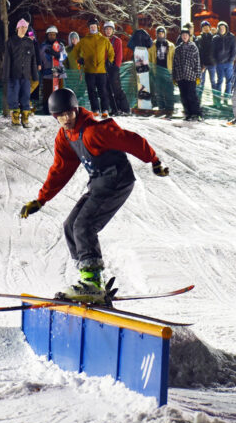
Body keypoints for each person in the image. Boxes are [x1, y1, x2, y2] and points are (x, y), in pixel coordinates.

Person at [19, 88, 169, 302]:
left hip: (118, 180)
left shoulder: (93, 131)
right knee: (70, 226)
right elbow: (60, 169)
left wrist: (154, 161)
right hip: (99, 183)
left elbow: (131, 140)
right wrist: (41, 199)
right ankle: (88, 279)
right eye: (60, 115)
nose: (65, 119)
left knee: (84, 226)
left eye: (69, 113)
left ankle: (92, 284)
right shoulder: (64, 136)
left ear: (75, 110)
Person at [70, 17, 113, 118]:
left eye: (94, 26)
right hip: (89, 70)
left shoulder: (104, 39)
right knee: (91, 91)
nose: (93, 28)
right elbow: (75, 51)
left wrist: (109, 62)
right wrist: (79, 59)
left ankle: (105, 110)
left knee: (103, 90)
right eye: (91, 27)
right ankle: (95, 109)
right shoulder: (84, 40)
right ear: (89, 28)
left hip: (101, 70)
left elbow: (111, 52)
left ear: (98, 27)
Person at [4, 18, 38, 127]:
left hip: (26, 75)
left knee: (25, 96)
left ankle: (25, 118)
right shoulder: (11, 41)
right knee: (13, 96)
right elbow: (7, 59)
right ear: (18, 28)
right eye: (22, 27)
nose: (24, 29)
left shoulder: (29, 42)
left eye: (26, 27)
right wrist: (6, 75)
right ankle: (15, 117)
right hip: (14, 74)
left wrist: (35, 74)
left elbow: (33, 60)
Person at [172, 27, 202, 121]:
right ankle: (188, 113)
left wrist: (198, 75)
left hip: (191, 76)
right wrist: (174, 76)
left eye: (186, 35)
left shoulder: (193, 47)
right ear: (181, 36)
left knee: (191, 95)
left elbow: (197, 62)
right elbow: (175, 63)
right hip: (181, 76)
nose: (184, 37)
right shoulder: (178, 49)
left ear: (189, 36)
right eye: (183, 35)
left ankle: (196, 113)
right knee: (183, 96)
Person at [103, 21, 130, 116]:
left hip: (113, 67)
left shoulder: (117, 40)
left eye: (110, 29)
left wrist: (116, 67)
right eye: (106, 29)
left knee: (116, 88)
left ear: (113, 30)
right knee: (107, 89)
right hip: (104, 67)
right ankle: (115, 109)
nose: (108, 31)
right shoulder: (103, 40)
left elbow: (119, 55)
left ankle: (125, 109)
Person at [149, 25, 175, 116]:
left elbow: (174, 59)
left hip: (168, 72)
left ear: (165, 34)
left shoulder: (171, 45)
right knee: (159, 92)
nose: (160, 35)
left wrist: (173, 72)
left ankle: (170, 109)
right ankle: (161, 109)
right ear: (157, 34)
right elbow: (149, 59)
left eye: (162, 33)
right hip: (157, 72)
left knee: (169, 92)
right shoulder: (152, 45)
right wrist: (152, 71)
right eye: (159, 33)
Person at [39, 26, 66, 112]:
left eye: (53, 35)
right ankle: (47, 108)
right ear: (47, 35)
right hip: (47, 73)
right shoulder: (43, 46)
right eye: (50, 35)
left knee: (59, 91)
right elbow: (41, 58)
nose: (52, 36)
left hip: (59, 73)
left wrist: (57, 55)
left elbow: (64, 56)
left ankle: (60, 107)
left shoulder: (60, 45)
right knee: (47, 92)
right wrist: (48, 56)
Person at [212, 21, 236, 95]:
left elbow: (234, 50)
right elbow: (212, 51)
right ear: (218, 29)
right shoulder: (215, 38)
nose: (222, 29)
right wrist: (215, 61)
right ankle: (218, 97)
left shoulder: (231, 37)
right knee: (219, 81)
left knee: (229, 82)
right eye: (220, 28)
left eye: (223, 28)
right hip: (219, 63)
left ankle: (226, 96)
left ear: (226, 28)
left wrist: (231, 61)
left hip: (229, 63)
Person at [194, 20, 216, 95]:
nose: (206, 28)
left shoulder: (214, 37)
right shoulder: (198, 38)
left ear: (210, 28)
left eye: (207, 27)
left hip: (212, 63)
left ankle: (216, 101)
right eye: (204, 27)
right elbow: (198, 52)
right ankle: (198, 101)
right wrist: (201, 64)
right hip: (202, 64)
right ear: (201, 29)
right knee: (201, 82)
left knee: (213, 82)